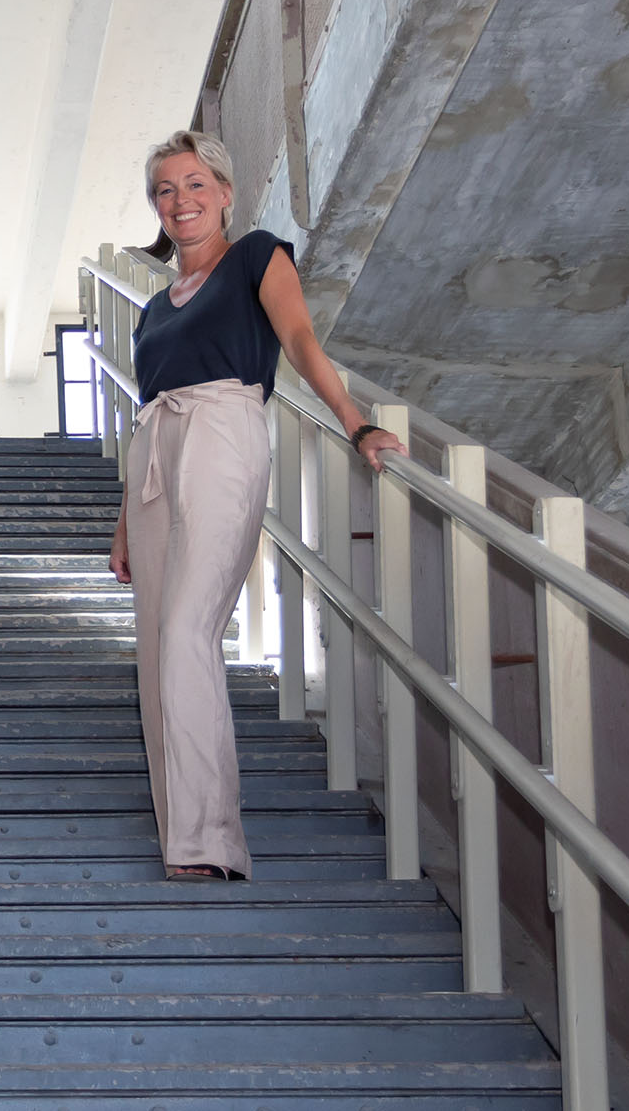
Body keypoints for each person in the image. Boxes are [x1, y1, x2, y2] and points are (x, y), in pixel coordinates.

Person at [109, 130, 404, 883]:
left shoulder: (257, 256)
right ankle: (183, 838)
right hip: (154, 453)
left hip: (222, 430)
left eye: (195, 184)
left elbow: (300, 337)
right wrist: (121, 525)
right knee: (154, 654)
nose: (181, 200)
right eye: (166, 190)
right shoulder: (150, 313)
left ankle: (211, 841)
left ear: (226, 192)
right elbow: (143, 411)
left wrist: (355, 420)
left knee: (186, 631)